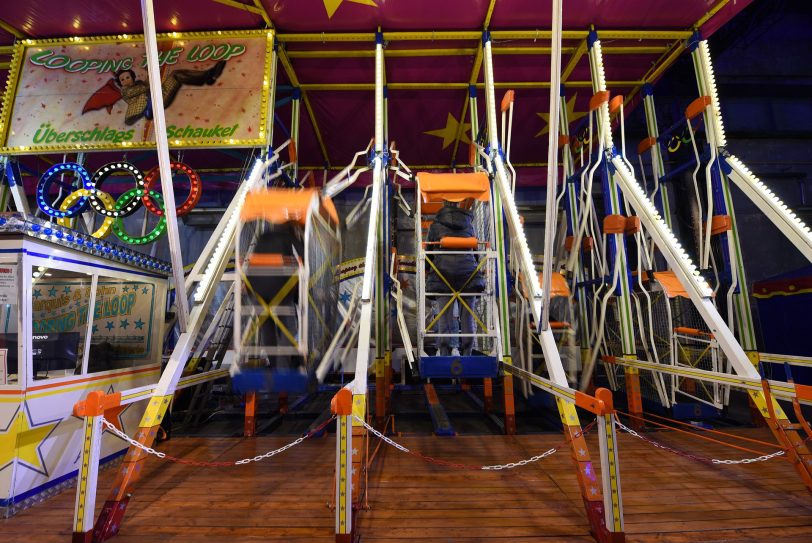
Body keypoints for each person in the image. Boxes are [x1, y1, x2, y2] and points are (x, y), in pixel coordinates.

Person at [425, 200, 485, 356]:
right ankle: (467, 353)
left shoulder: (435, 225)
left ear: (443, 204)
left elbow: (429, 254)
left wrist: (427, 270)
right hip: (468, 275)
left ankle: (444, 353)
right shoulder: (469, 225)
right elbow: (475, 254)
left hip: (443, 275)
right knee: (468, 317)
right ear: (459, 206)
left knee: (444, 315)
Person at [83, 61, 226, 125]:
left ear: (132, 77)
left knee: (176, 74)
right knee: (150, 96)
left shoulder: (140, 84)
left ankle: (207, 76)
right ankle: (149, 112)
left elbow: (146, 86)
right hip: (148, 105)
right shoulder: (126, 91)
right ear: (120, 83)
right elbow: (143, 89)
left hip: (159, 96)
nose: (126, 80)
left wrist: (149, 74)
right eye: (123, 79)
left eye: (127, 77)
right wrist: (150, 73)